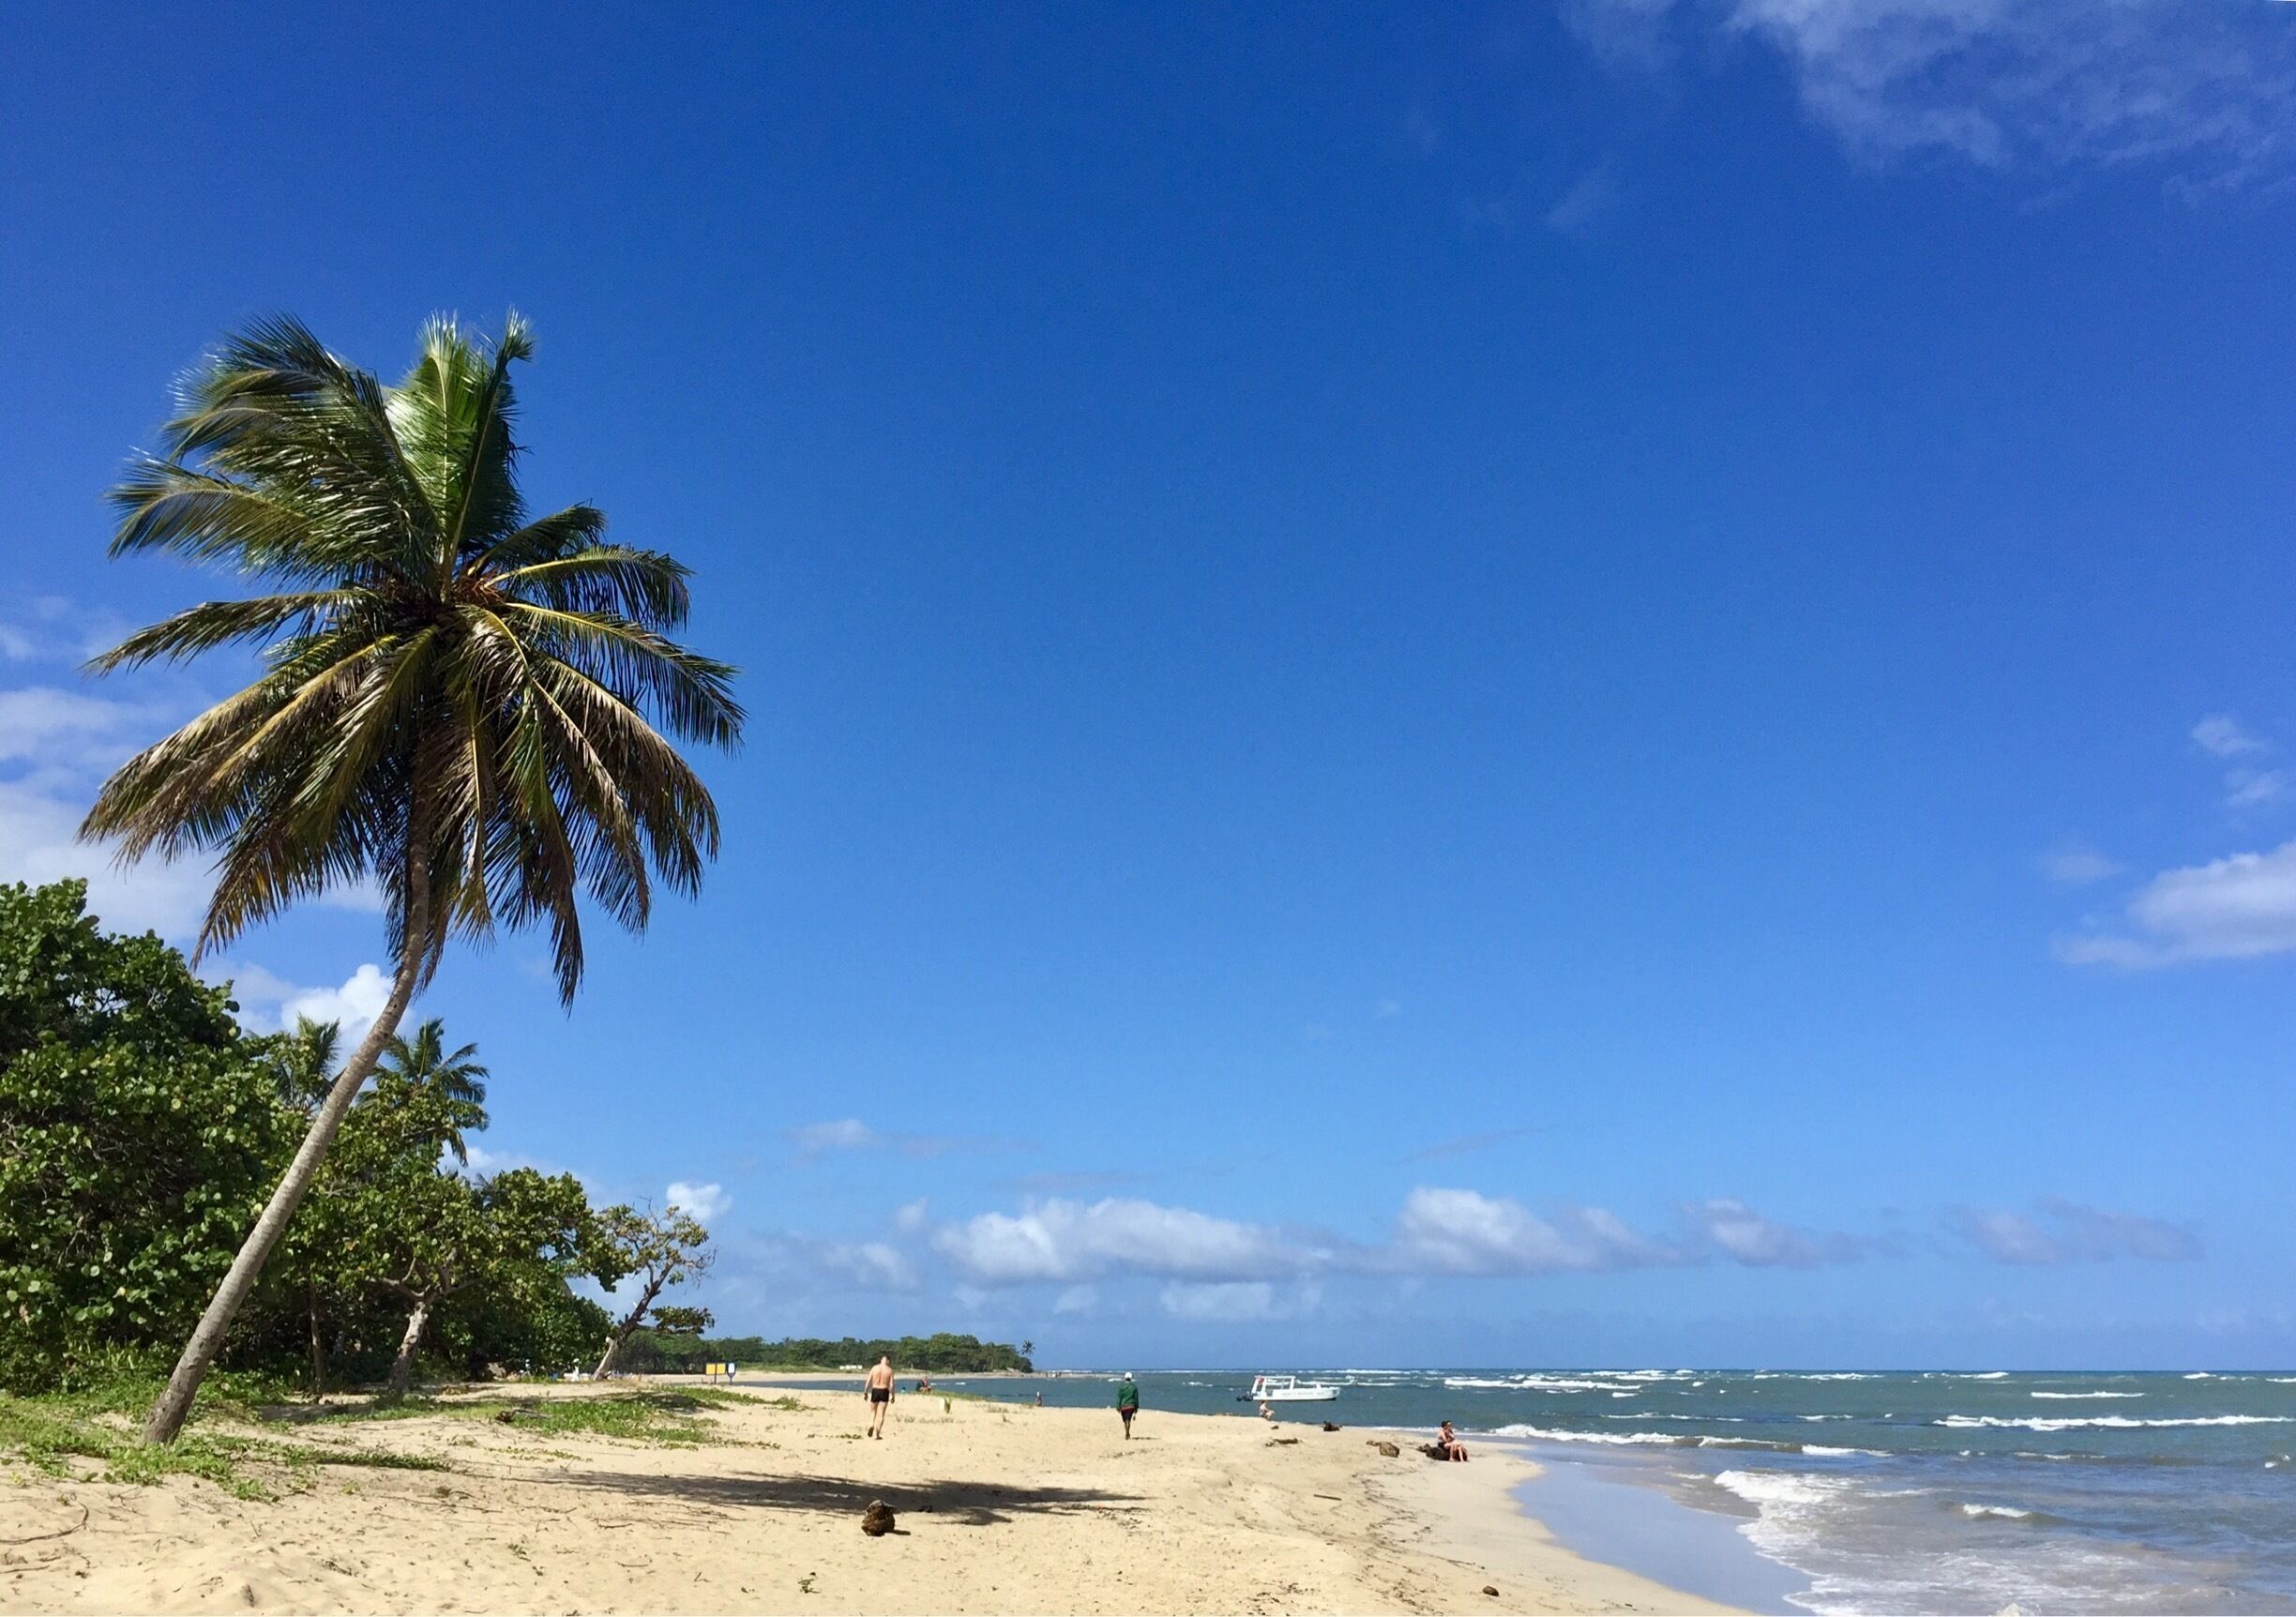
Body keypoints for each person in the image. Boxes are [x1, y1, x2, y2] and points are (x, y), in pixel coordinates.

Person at [864, 1354, 896, 1439]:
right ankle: (877, 1434)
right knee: (881, 1414)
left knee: (873, 1411)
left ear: (881, 1360)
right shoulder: (889, 1370)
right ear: (888, 1361)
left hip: (875, 1390)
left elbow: (868, 1381)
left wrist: (865, 1392)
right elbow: (891, 1385)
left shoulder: (874, 1368)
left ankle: (871, 1424)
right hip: (884, 1390)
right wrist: (893, 1395)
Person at [1117, 1372, 1140, 1438]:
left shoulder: (1121, 1387)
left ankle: (1127, 1432)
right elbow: (1136, 1398)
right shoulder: (1134, 1388)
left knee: (1125, 1420)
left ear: (1125, 1378)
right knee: (1128, 1420)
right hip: (1131, 1405)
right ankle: (1127, 1432)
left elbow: (1119, 1397)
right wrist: (1136, 1407)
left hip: (1123, 1405)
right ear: (1131, 1378)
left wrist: (1118, 1406)